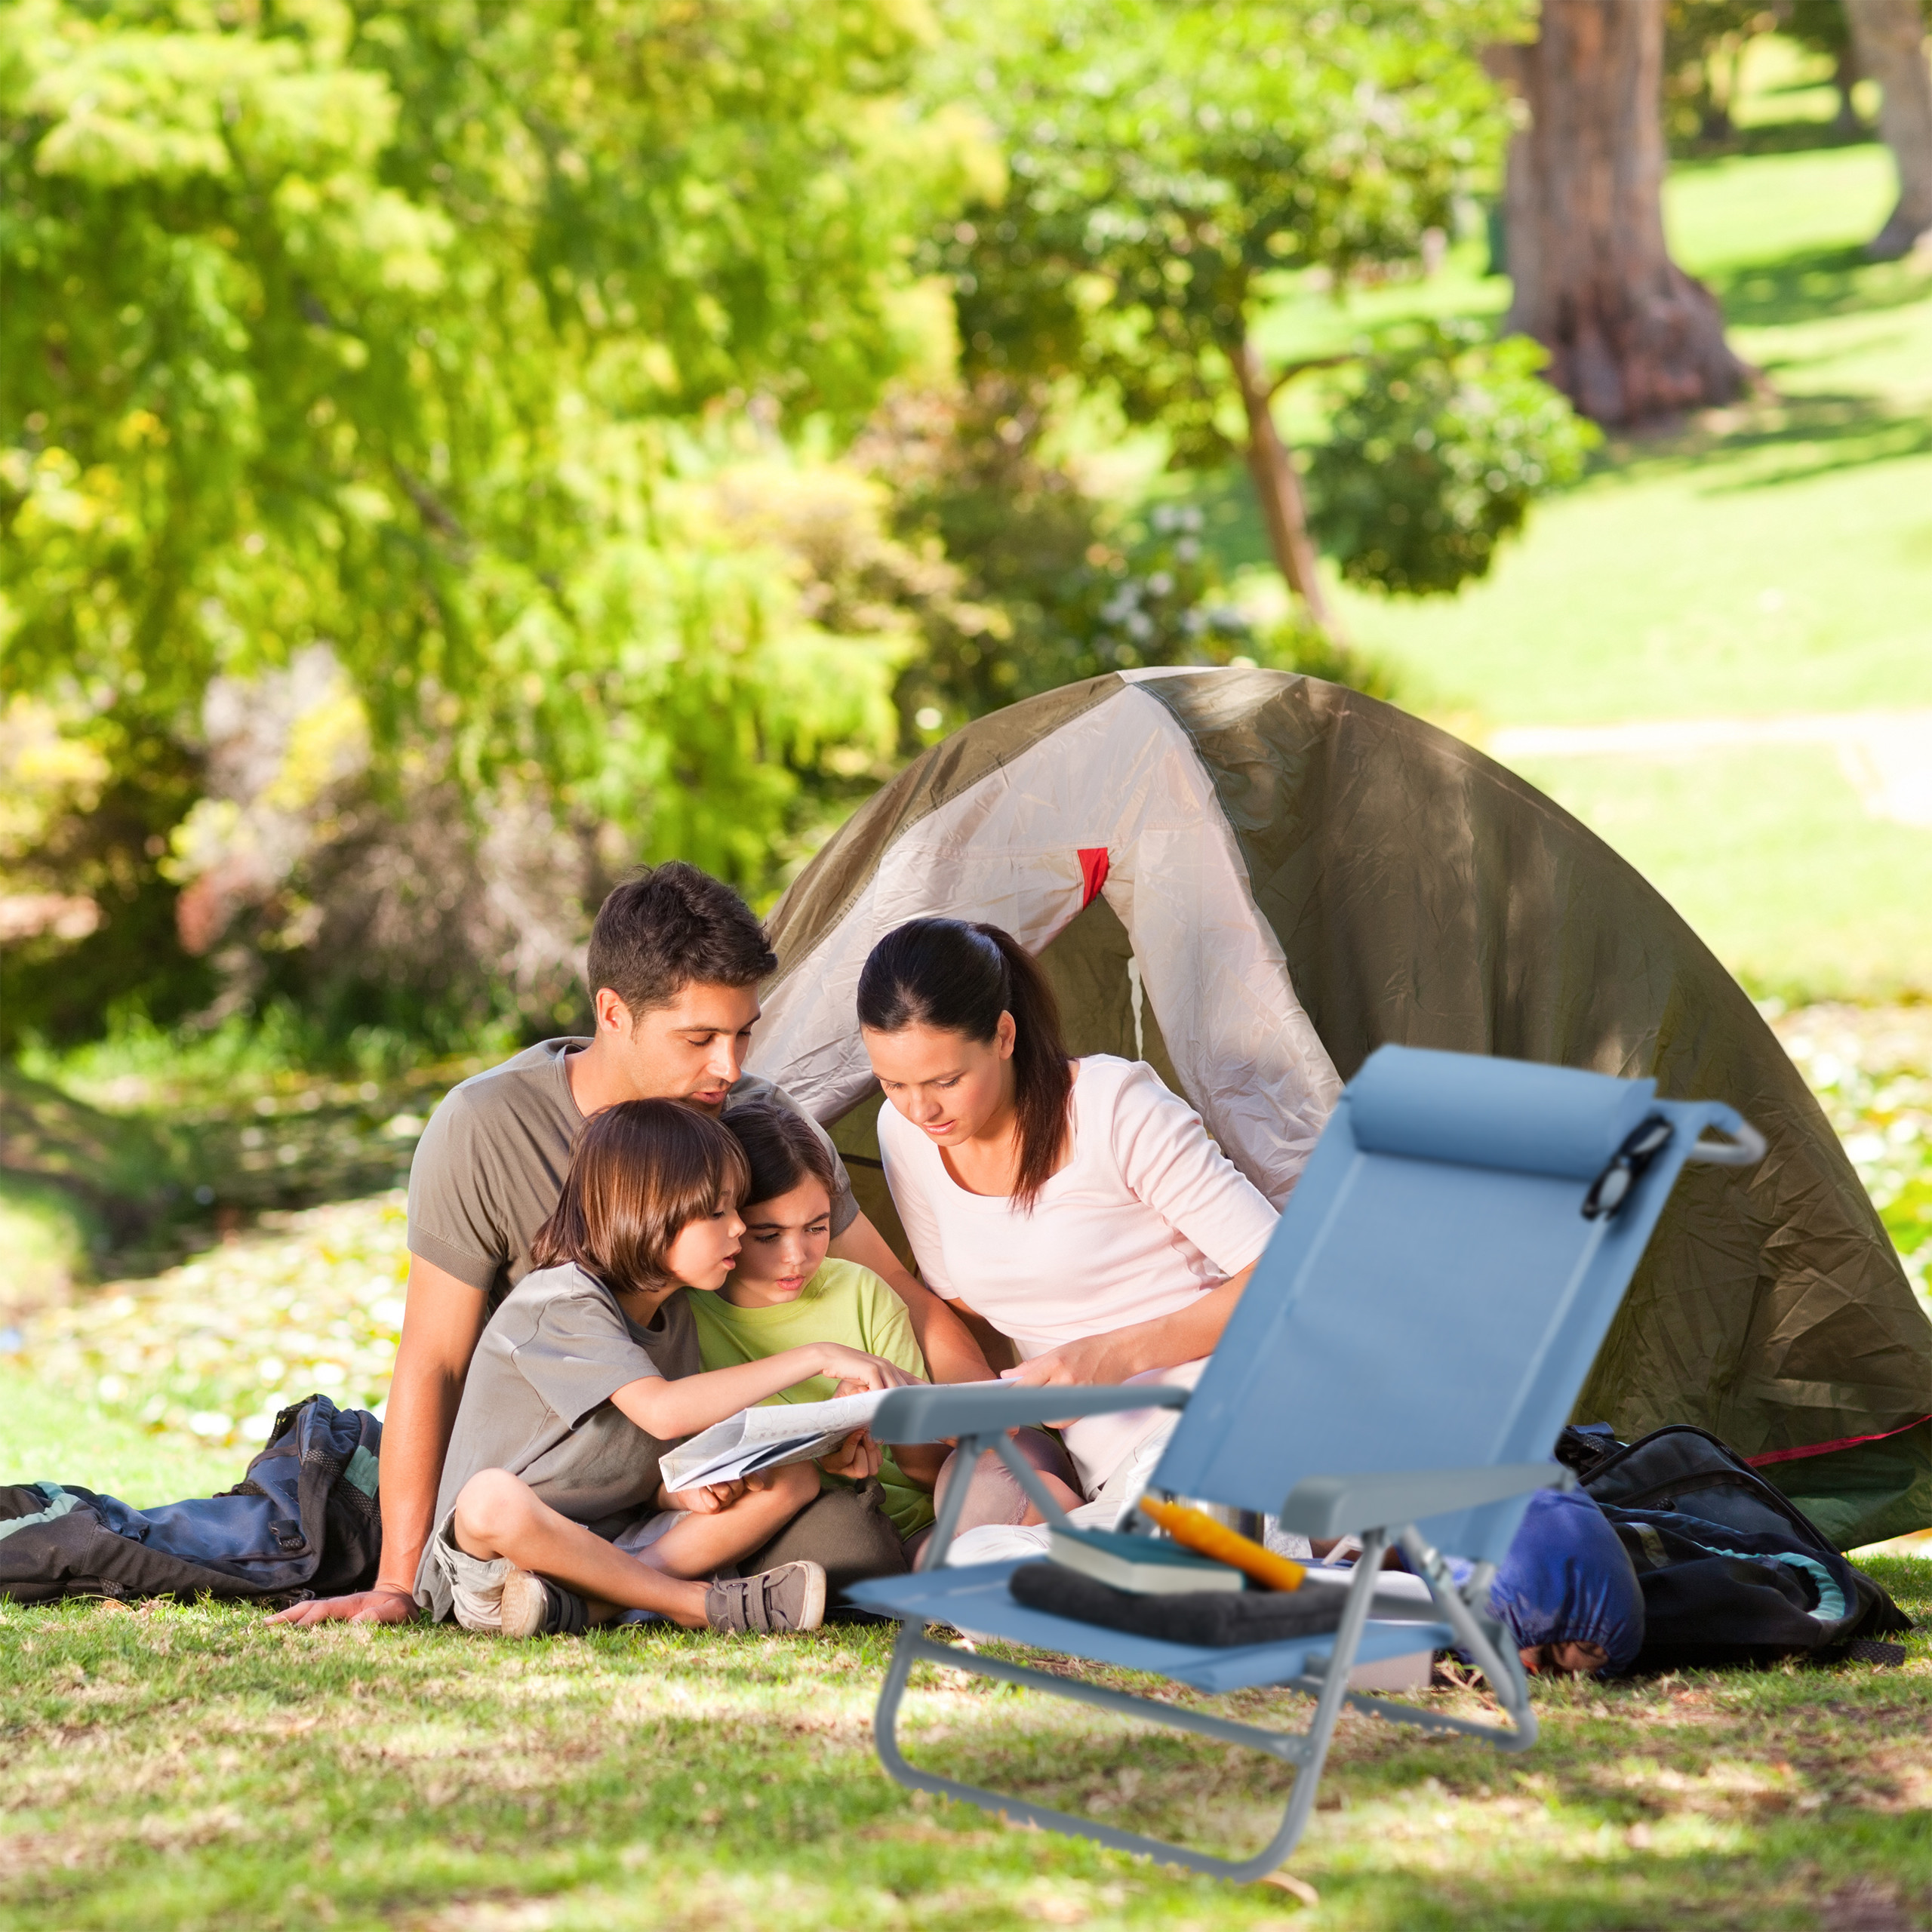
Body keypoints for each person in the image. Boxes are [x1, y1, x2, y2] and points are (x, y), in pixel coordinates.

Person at [275, 863, 991, 1627]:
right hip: (554, 1482)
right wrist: (396, 1580)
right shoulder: (486, 1128)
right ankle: (645, 1596)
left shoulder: (754, 1115)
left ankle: (595, 1594)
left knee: (850, 1546)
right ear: (613, 1013)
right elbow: (433, 1359)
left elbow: (904, 1299)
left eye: (744, 1032)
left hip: (682, 1484)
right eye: (699, 1038)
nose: (731, 1067)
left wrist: (1006, 1436)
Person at [420, 1097, 917, 1638]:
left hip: (619, 1545)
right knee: (489, 1498)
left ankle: (603, 1603)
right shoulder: (558, 1303)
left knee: (789, 1478)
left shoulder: (673, 1311)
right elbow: (661, 1413)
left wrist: (682, 1491)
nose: (737, 1230)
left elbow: (629, 1463)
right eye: (719, 1213)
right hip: (501, 1563)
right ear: (647, 1213)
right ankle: (694, 1604)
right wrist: (817, 1356)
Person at [858, 917, 1281, 1543]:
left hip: (1214, 1405)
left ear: (1004, 1034)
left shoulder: (1113, 1108)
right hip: (1091, 1449)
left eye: (945, 1081)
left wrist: (1116, 1355)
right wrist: (970, 1404)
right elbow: (960, 1303)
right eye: (893, 1084)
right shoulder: (907, 1137)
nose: (923, 1110)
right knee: (970, 1520)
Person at [690, 1103, 945, 1555]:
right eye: (768, 1236)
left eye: (817, 1227)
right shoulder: (686, 1314)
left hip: (911, 1524)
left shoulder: (863, 1292)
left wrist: (882, 1424)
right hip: (779, 1529)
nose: (798, 1256)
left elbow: (926, 1468)